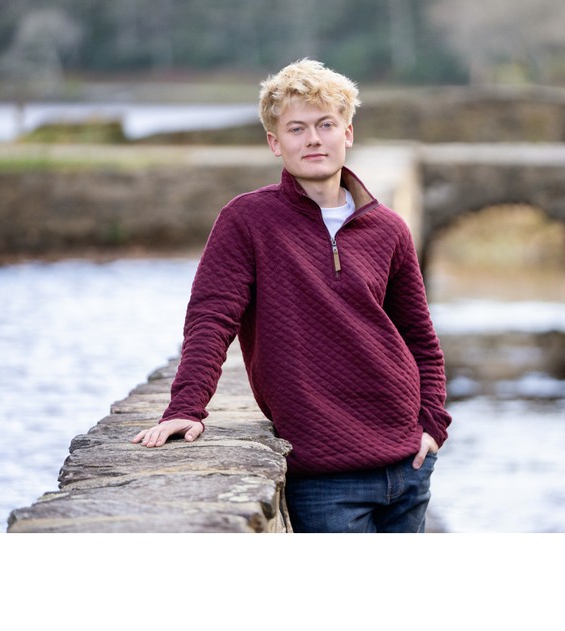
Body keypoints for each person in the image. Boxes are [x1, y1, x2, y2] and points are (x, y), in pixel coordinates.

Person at [131, 59, 452, 533]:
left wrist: (433, 422)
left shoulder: (388, 228)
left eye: (326, 124)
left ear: (348, 132)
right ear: (274, 143)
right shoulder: (247, 221)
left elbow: (419, 336)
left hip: (408, 465)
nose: (314, 139)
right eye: (297, 128)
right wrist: (185, 407)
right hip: (324, 476)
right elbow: (211, 318)